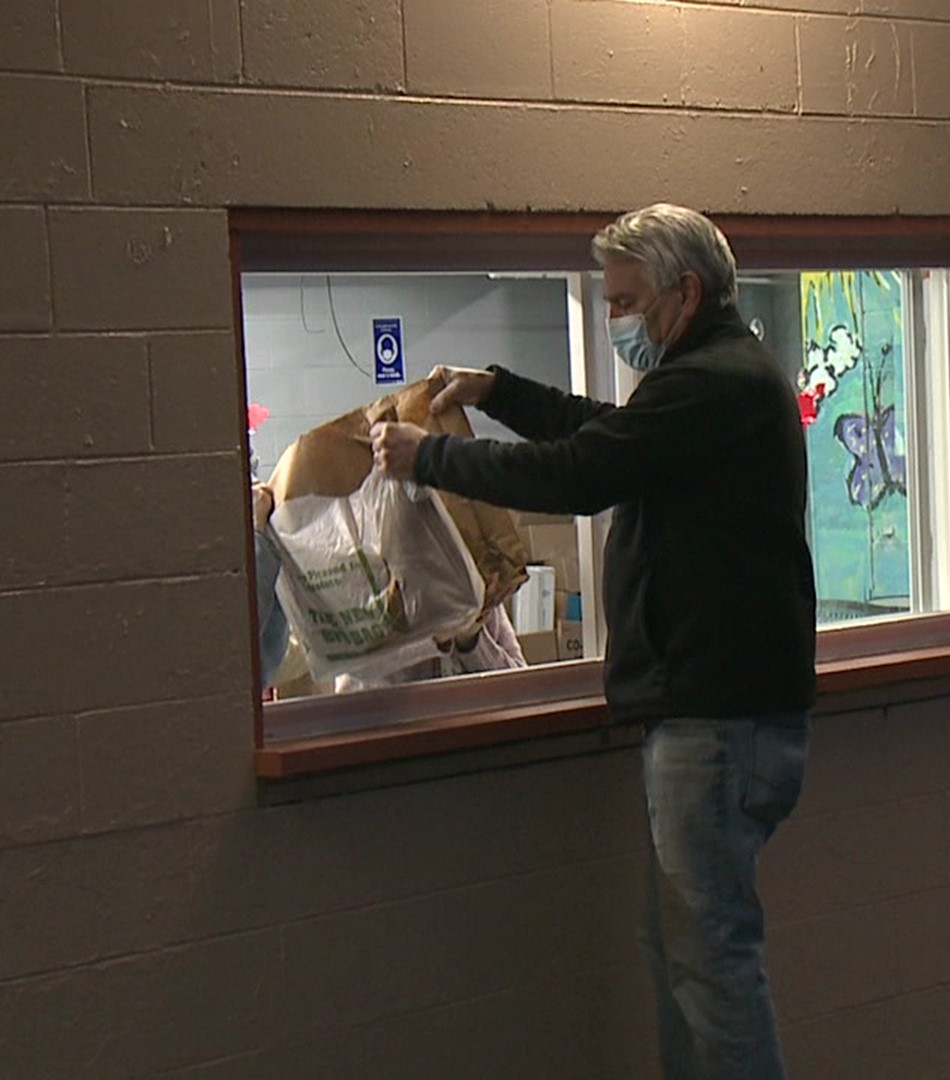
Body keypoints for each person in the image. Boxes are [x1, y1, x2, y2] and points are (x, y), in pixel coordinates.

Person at [370, 203, 816, 1079]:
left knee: (713, 964)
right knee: (682, 954)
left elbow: (582, 472)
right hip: (714, 716)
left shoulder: (715, 382)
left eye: (623, 301)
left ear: (684, 293)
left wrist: (431, 459)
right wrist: (497, 391)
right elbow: (599, 434)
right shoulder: (709, 376)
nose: (615, 318)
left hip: (718, 724)